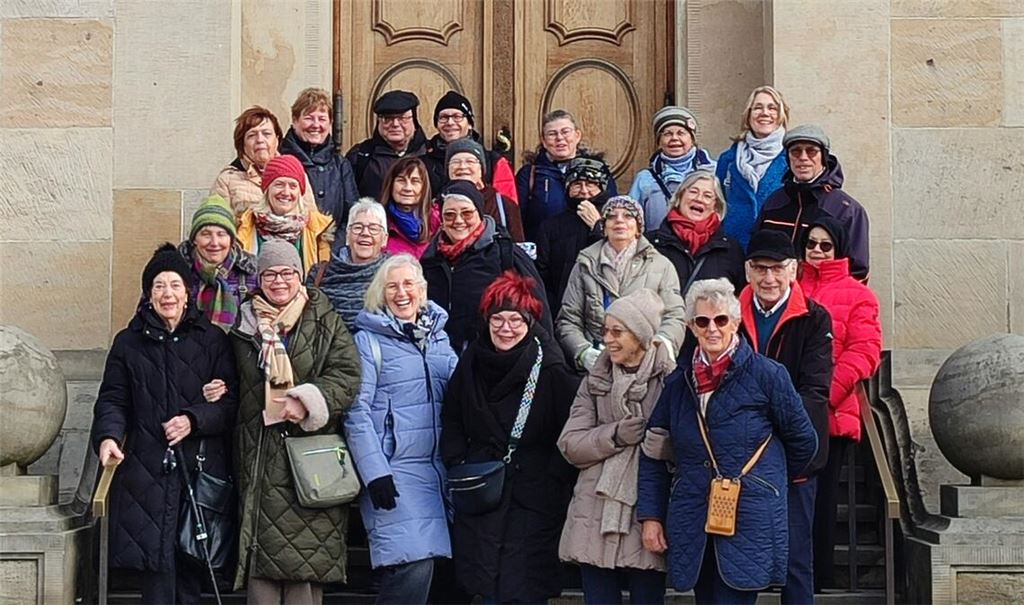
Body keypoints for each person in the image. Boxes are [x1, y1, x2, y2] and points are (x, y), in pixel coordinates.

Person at [637, 278, 818, 605]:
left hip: (750, 514)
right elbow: (653, 452)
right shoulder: (678, 384)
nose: (712, 329)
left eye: (721, 320)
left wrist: (765, 481)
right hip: (693, 514)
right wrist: (651, 517)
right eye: (702, 321)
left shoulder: (768, 375)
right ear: (691, 327)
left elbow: (803, 441)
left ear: (735, 323)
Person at [90, 243, 237, 604]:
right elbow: (113, 399)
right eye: (159, 286)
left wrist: (193, 419)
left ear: (187, 293)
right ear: (149, 294)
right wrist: (108, 437)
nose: (167, 294)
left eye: (174, 285)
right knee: (155, 578)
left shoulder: (212, 340)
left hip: (198, 472)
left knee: (191, 573)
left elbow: (231, 405)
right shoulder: (128, 343)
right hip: (146, 471)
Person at [231, 239, 362, 604]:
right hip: (259, 456)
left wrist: (309, 402)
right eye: (270, 274)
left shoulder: (323, 317)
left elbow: (348, 374)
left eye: (287, 272)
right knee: (261, 566)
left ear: (299, 275)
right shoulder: (244, 324)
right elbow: (229, 379)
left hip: (309, 461)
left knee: (304, 569)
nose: (279, 281)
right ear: (259, 280)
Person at [441, 271, 580, 604]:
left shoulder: (550, 368)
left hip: (533, 495)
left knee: (524, 586)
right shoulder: (471, 361)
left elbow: (570, 429)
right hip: (483, 488)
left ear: (529, 322)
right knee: (484, 584)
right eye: (498, 319)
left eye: (515, 320)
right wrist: (458, 459)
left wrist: (553, 478)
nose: (506, 328)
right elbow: (453, 414)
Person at [344, 254, 458, 604]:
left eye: (408, 284)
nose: (401, 292)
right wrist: (375, 472)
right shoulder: (368, 341)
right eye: (392, 286)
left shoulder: (438, 338)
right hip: (394, 471)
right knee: (412, 564)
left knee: (443, 575)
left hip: (440, 470)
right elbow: (356, 412)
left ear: (422, 290)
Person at [558, 289, 674, 605]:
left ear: (640, 335)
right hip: (594, 511)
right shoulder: (595, 379)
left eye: (617, 332)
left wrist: (665, 446)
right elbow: (569, 444)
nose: (607, 339)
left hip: (647, 511)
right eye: (605, 330)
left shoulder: (670, 380)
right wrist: (615, 435)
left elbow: (689, 447)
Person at [739, 229, 833, 604]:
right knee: (739, 555)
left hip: (796, 454)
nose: (769, 278)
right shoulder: (727, 314)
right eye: (761, 268)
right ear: (748, 270)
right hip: (740, 454)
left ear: (793, 270)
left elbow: (814, 390)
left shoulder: (815, 318)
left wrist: (773, 427)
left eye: (777, 268)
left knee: (796, 557)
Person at [797, 217, 882, 591]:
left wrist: (823, 395)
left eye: (825, 245)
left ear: (839, 249)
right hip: (790, 410)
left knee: (823, 499)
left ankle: (819, 576)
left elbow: (865, 351)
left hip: (831, 411)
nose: (817, 251)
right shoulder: (790, 286)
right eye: (811, 244)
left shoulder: (859, 295)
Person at [556, 196, 686, 373]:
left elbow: (675, 316)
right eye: (611, 216)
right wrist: (583, 353)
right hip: (596, 370)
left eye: (628, 215)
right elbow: (568, 320)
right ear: (604, 227)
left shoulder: (662, 266)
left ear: (638, 228)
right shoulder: (584, 265)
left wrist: (659, 349)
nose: (619, 220)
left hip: (646, 370)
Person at [421, 180, 552, 354]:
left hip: (491, 357)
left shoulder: (505, 253)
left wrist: (548, 357)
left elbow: (539, 312)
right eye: (449, 215)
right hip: (440, 357)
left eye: (467, 213)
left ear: (480, 214)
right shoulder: (429, 260)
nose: (458, 221)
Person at [755, 124, 871, 280]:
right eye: (796, 151)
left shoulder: (847, 210)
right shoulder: (773, 203)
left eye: (811, 151)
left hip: (824, 294)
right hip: (776, 292)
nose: (803, 157)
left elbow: (857, 272)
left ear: (823, 157)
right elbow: (756, 254)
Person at [516, 109, 618, 240]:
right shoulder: (530, 174)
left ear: (577, 135)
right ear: (543, 141)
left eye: (565, 132)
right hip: (544, 248)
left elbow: (614, 211)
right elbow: (518, 219)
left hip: (590, 246)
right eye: (552, 134)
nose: (559, 138)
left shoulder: (599, 171)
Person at [647, 170, 745, 298]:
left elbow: (740, 298)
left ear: (716, 207)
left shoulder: (731, 250)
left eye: (707, 196)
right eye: (693, 192)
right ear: (679, 198)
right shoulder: (650, 244)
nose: (699, 199)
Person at [716, 86, 790, 251]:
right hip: (732, 250)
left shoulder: (791, 159)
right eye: (757, 107)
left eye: (772, 108)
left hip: (775, 252)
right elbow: (717, 205)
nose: (765, 113)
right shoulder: (728, 160)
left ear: (781, 115)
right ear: (748, 115)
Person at [236, 154, 335, 274]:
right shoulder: (243, 225)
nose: (286, 192)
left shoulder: (319, 231)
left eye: (293, 186)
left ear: (300, 192)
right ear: (267, 189)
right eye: (279, 184)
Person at [212, 105, 315, 218]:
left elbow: (313, 220)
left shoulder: (296, 174)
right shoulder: (226, 181)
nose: (260, 140)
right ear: (242, 144)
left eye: (266, 134)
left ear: (277, 140)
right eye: (252, 135)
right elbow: (216, 223)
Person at [279, 87, 360, 229]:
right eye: (309, 118)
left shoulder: (341, 165)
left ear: (330, 123)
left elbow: (352, 216)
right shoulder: (279, 160)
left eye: (322, 119)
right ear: (295, 121)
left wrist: (334, 242)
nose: (316, 125)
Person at [535, 157, 611, 308]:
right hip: (562, 308)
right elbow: (541, 273)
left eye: (590, 184)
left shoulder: (617, 222)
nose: (584, 191)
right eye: (577, 184)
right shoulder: (551, 226)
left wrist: (597, 227)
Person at [178, 194, 259, 331]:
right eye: (206, 234)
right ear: (194, 239)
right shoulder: (176, 272)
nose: (214, 243)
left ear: (231, 240)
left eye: (221, 234)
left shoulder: (251, 272)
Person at [629, 105, 716, 230]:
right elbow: (631, 219)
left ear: (692, 139)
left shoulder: (713, 172)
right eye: (667, 134)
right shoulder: (645, 179)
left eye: (681, 133)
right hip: (658, 242)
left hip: (705, 241)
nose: (674, 138)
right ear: (659, 142)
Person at [308, 199, 389, 332]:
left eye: (373, 228)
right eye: (357, 227)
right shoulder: (319, 274)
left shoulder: (394, 274)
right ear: (347, 235)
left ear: (384, 239)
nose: (365, 233)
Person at [422, 90, 518, 202]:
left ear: (470, 124)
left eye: (457, 116)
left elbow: (507, 205)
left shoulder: (494, 162)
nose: (450, 122)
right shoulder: (423, 163)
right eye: (443, 117)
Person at [346, 90, 428, 199]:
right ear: (379, 122)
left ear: (414, 121)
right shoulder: (361, 155)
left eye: (402, 118)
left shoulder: (430, 153)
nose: (395, 124)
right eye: (387, 118)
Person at [446, 137, 525, 241]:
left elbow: (517, 244)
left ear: (482, 169)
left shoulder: (503, 205)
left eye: (470, 161)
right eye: (455, 162)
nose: (462, 166)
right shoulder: (437, 204)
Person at [380, 156, 439, 258]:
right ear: (391, 184)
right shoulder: (378, 223)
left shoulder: (439, 223)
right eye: (401, 180)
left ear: (424, 187)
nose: (407, 188)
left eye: (415, 181)